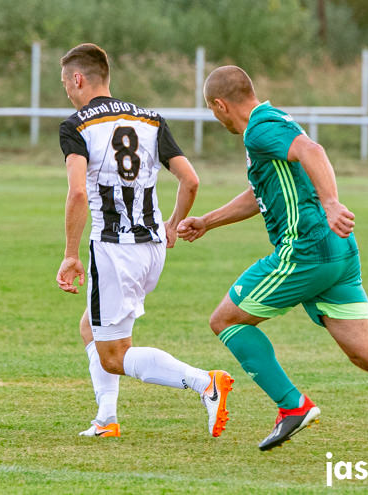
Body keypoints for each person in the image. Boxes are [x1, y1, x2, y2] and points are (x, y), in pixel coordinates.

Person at [178, 65, 368, 458]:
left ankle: (292, 406)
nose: (218, 121)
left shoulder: (258, 128)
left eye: (214, 113)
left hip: (305, 252)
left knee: (226, 320)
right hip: (338, 252)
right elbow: (260, 193)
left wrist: (332, 201)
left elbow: (312, 151)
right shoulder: (274, 122)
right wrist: (208, 221)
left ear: (220, 105)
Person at [55, 43, 233, 439]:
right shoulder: (150, 119)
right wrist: (173, 224)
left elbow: (78, 193)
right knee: (92, 327)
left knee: (115, 355)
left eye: (66, 82)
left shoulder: (77, 125)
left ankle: (205, 382)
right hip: (152, 248)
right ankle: (106, 419)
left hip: (114, 249)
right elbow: (191, 180)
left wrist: (70, 255)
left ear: (78, 79)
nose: (66, 90)